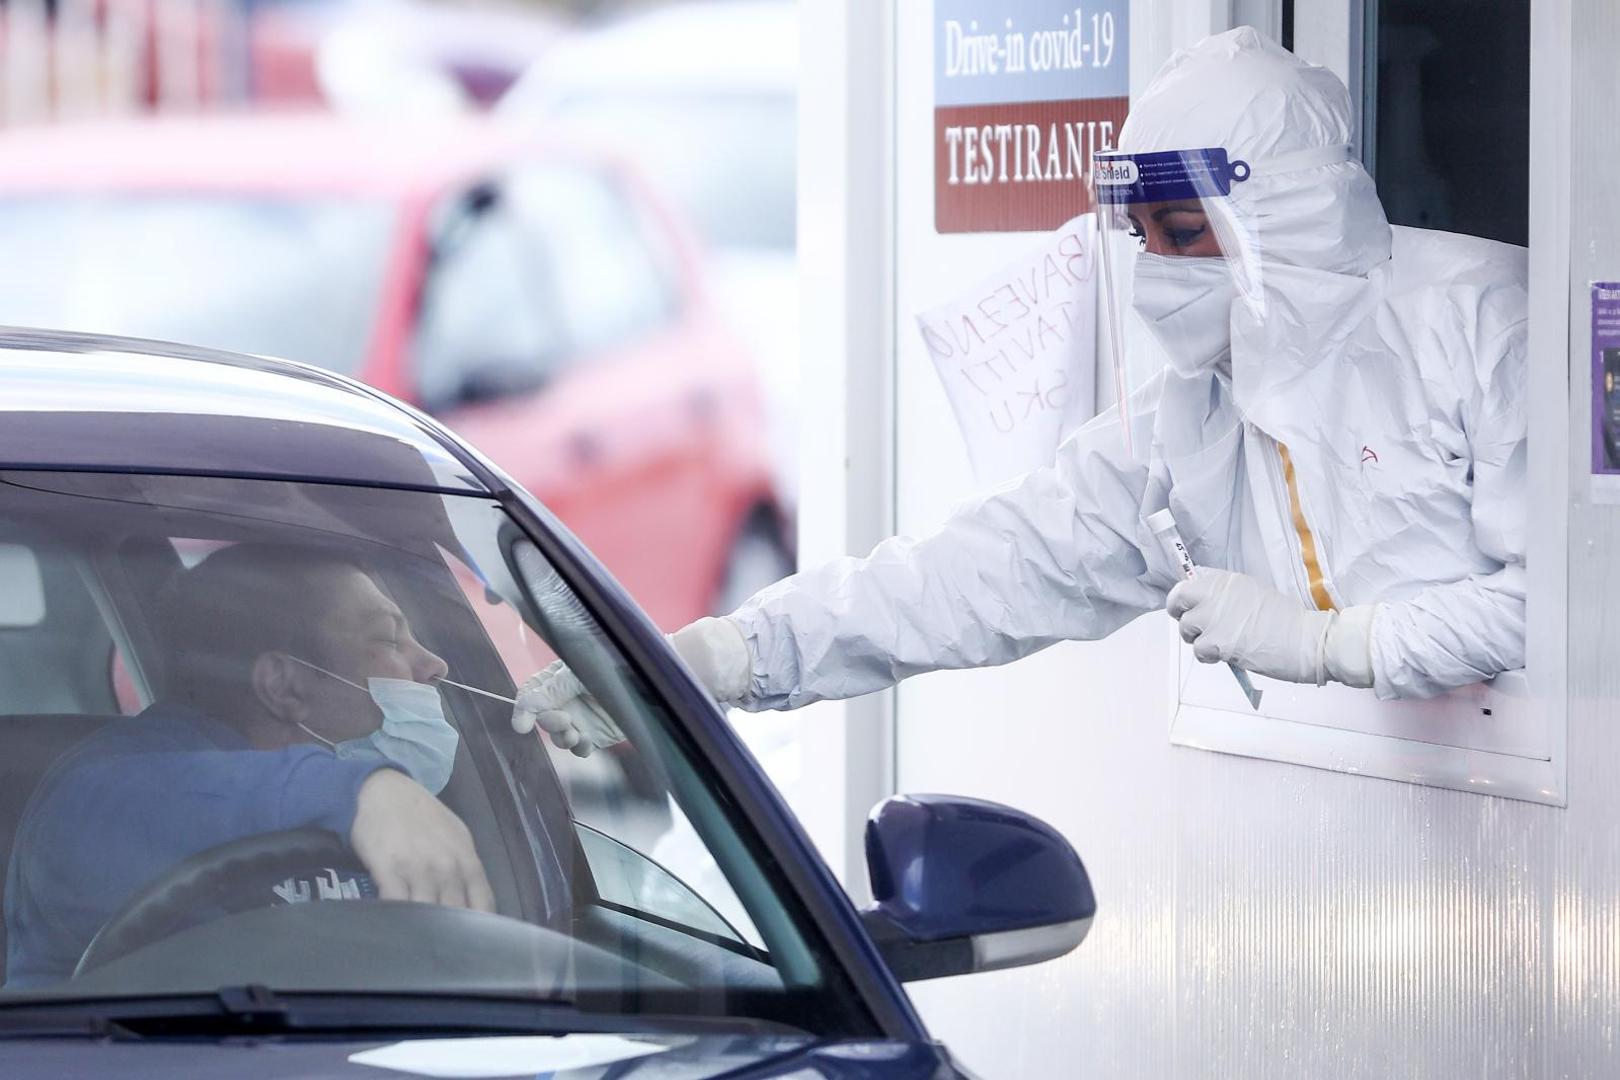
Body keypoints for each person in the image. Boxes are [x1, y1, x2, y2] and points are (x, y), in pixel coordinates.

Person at [513, 28, 1527, 754]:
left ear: (1286, 217)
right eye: (1142, 237)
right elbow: (979, 571)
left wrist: (1331, 644)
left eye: (1183, 233)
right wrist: (728, 656)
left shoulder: (1478, 324)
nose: (1156, 271)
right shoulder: (1191, 419)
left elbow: (1571, 609)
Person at [4, 544, 493, 987]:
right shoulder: (100, 788)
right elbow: (139, 802)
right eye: (388, 639)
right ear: (284, 685)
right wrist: (366, 791)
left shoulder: (327, 783)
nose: (435, 664)